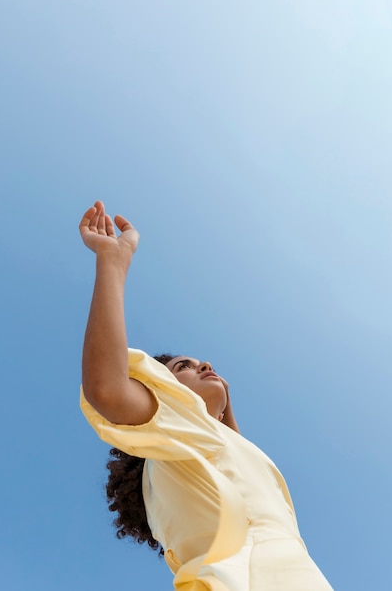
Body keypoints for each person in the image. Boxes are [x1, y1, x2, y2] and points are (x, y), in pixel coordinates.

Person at [78, 201, 334, 591]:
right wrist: (113, 262)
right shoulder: (178, 429)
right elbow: (107, 389)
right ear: (160, 391)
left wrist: (223, 404)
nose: (204, 365)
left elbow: (237, 454)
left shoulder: (216, 444)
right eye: (183, 367)